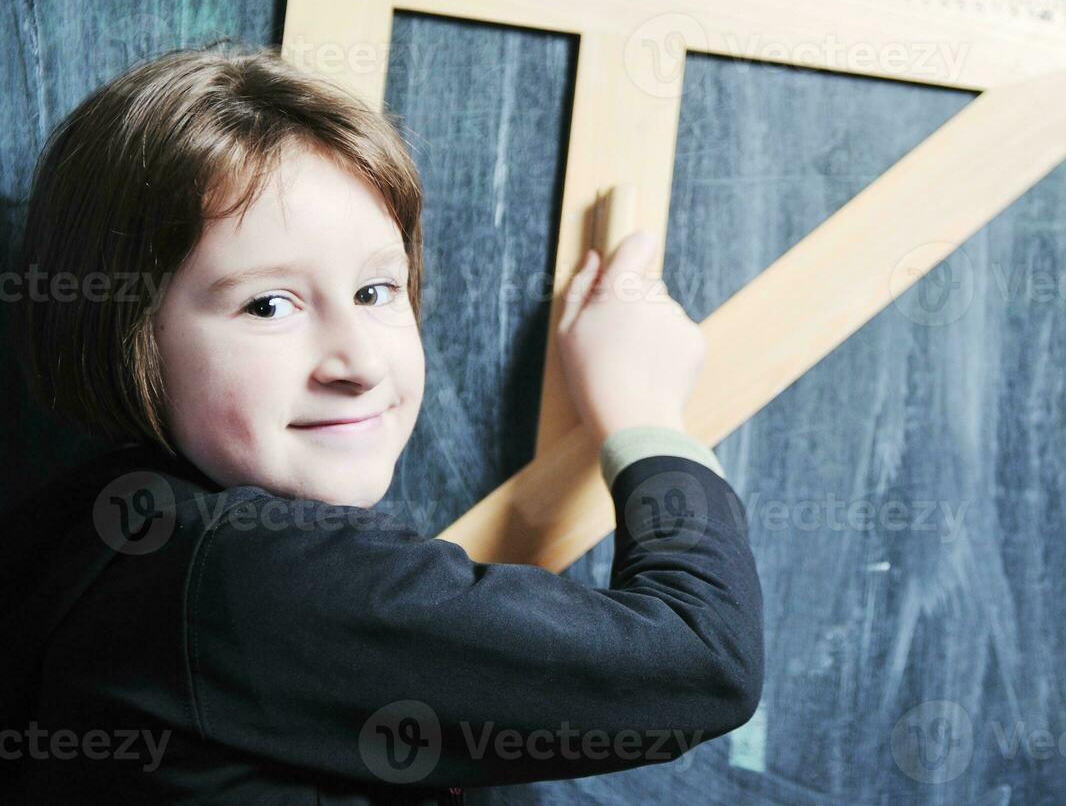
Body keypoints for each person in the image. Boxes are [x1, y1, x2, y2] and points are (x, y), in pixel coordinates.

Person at [0, 43, 763, 803]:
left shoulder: (104, 530)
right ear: (125, 331)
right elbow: (701, 657)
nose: (357, 362)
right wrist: (646, 413)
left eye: (376, 290)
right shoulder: (251, 574)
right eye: (268, 305)